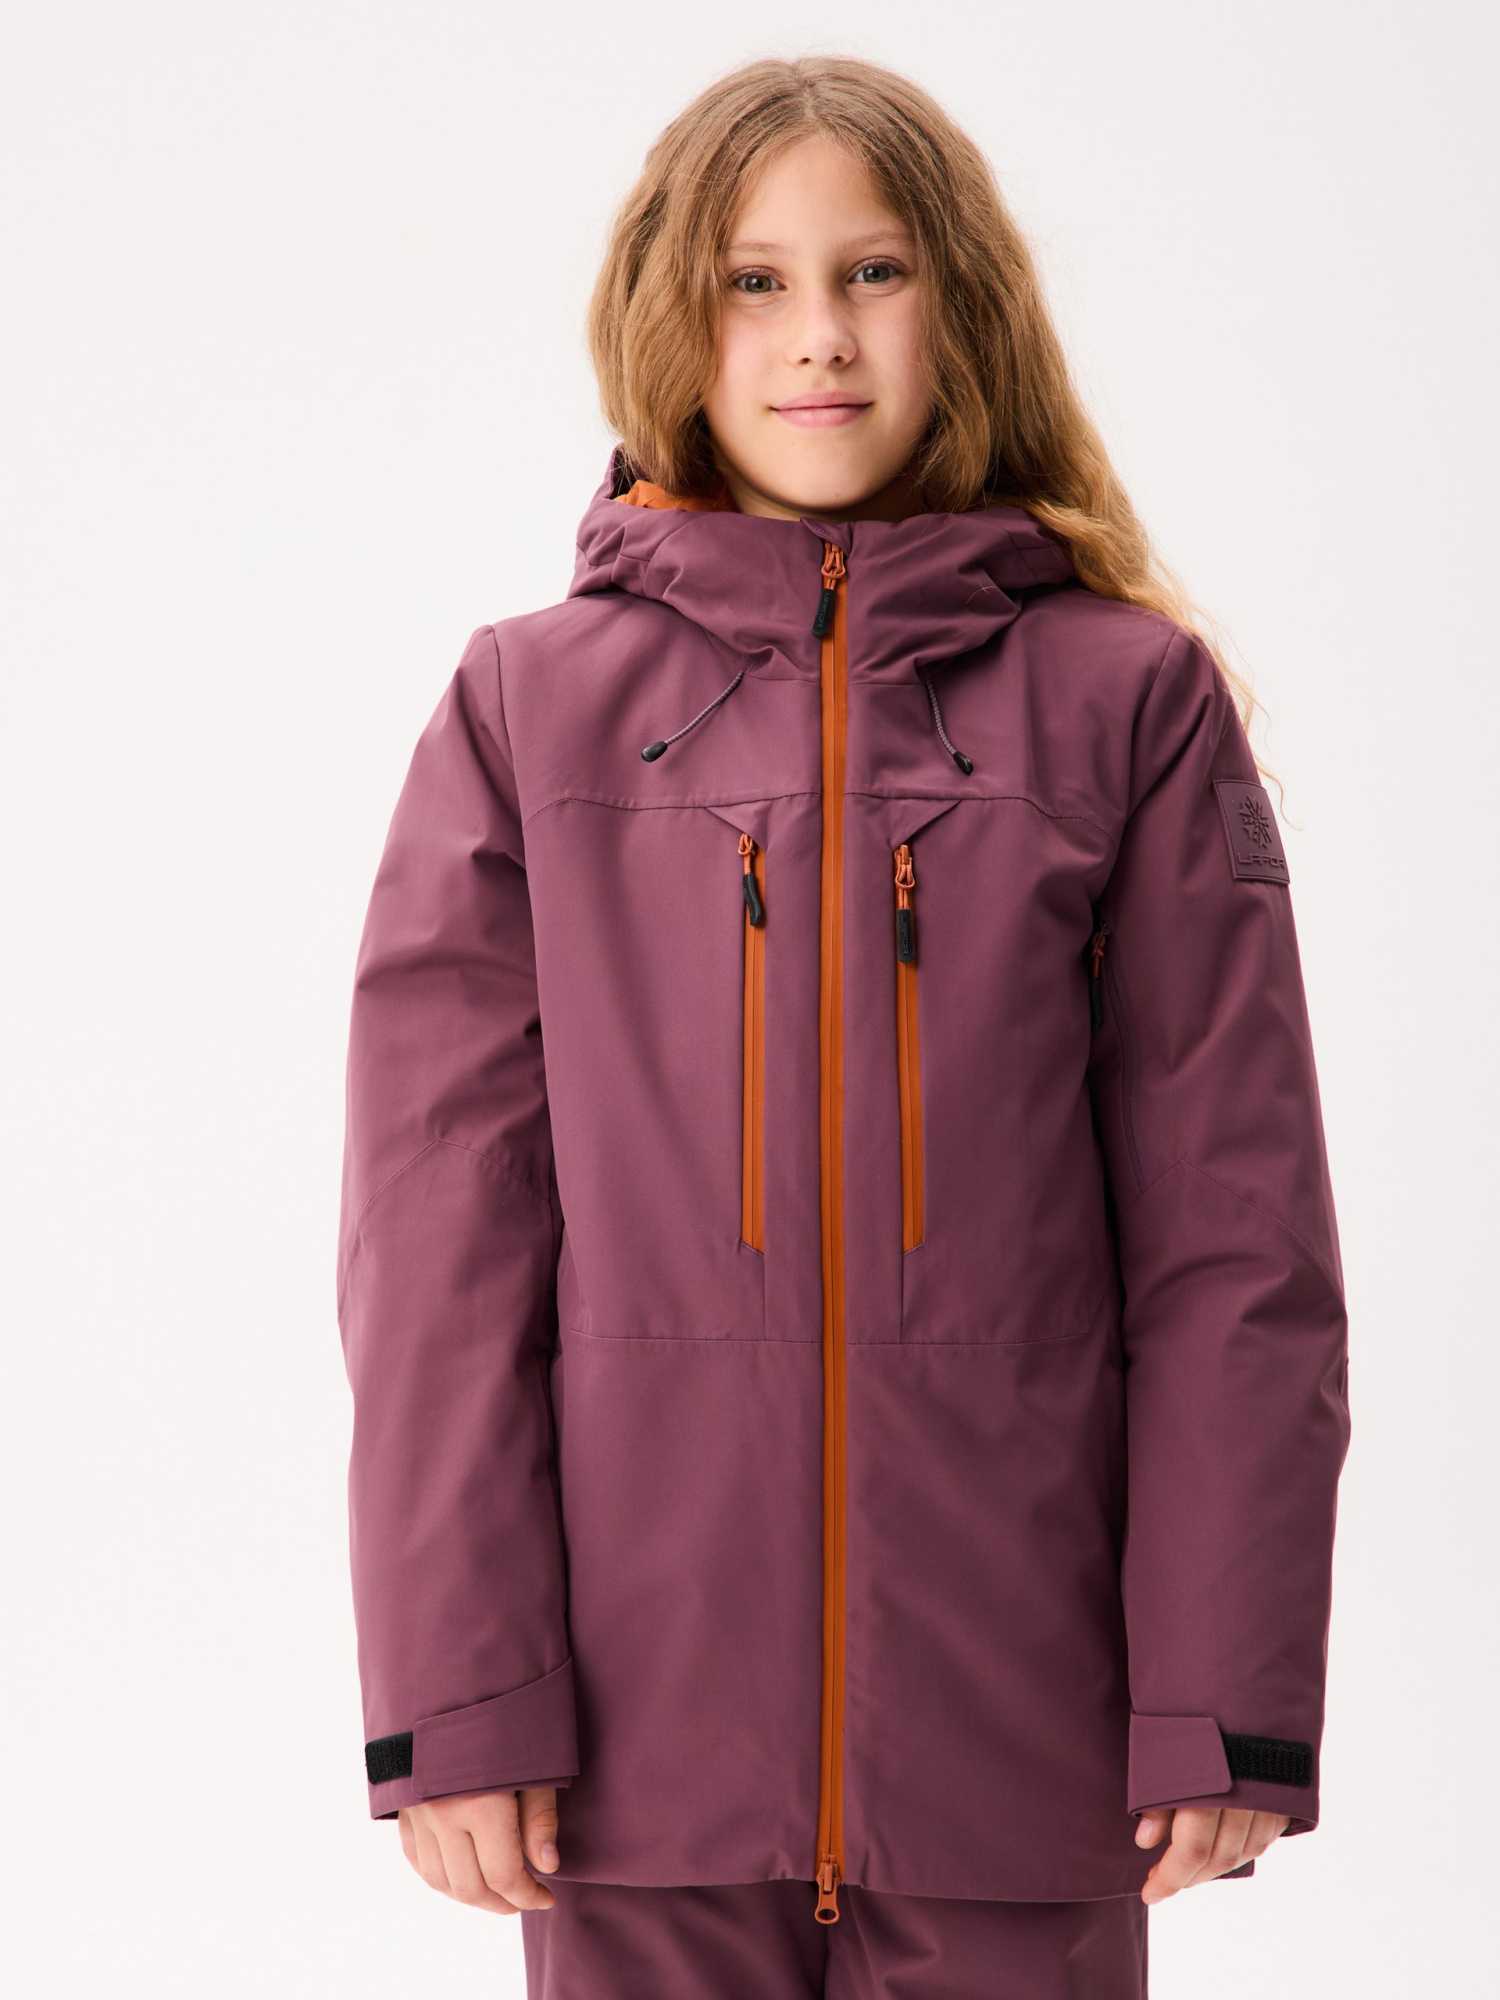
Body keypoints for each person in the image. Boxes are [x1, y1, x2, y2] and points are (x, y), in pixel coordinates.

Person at [335, 54, 1351, 1999]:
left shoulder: (1129, 704)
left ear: (962, 304)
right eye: (755, 281)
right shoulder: (527, 710)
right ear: (673, 316)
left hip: (1021, 1739)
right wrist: (459, 1692)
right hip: (630, 1759)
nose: (818, 335)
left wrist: (1222, 1690)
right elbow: (438, 1242)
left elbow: (1237, 1239)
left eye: (873, 272)